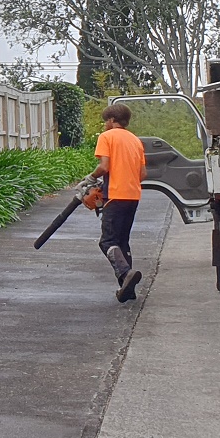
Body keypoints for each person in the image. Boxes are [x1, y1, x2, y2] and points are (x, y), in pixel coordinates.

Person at [90, 103, 146, 302]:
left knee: (107, 241)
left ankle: (124, 273)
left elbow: (104, 166)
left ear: (112, 120)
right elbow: (143, 174)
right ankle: (127, 290)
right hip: (133, 196)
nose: (105, 124)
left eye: (106, 120)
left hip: (114, 195)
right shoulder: (135, 140)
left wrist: (90, 178)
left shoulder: (106, 137)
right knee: (122, 241)